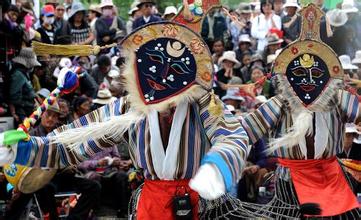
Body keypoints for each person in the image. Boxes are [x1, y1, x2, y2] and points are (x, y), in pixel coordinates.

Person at [0, 21, 249, 220]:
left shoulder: (204, 103)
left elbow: (233, 136)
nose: (162, 75)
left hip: (199, 206)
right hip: (150, 207)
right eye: (154, 64)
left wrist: (218, 166)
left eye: (174, 70)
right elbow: (76, 140)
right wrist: (22, 150)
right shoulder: (129, 107)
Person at [8, 48, 40, 124]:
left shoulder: (24, 74)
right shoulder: (18, 75)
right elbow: (14, 97)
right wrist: (16, 114)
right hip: (22, 114)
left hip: (27, 111)